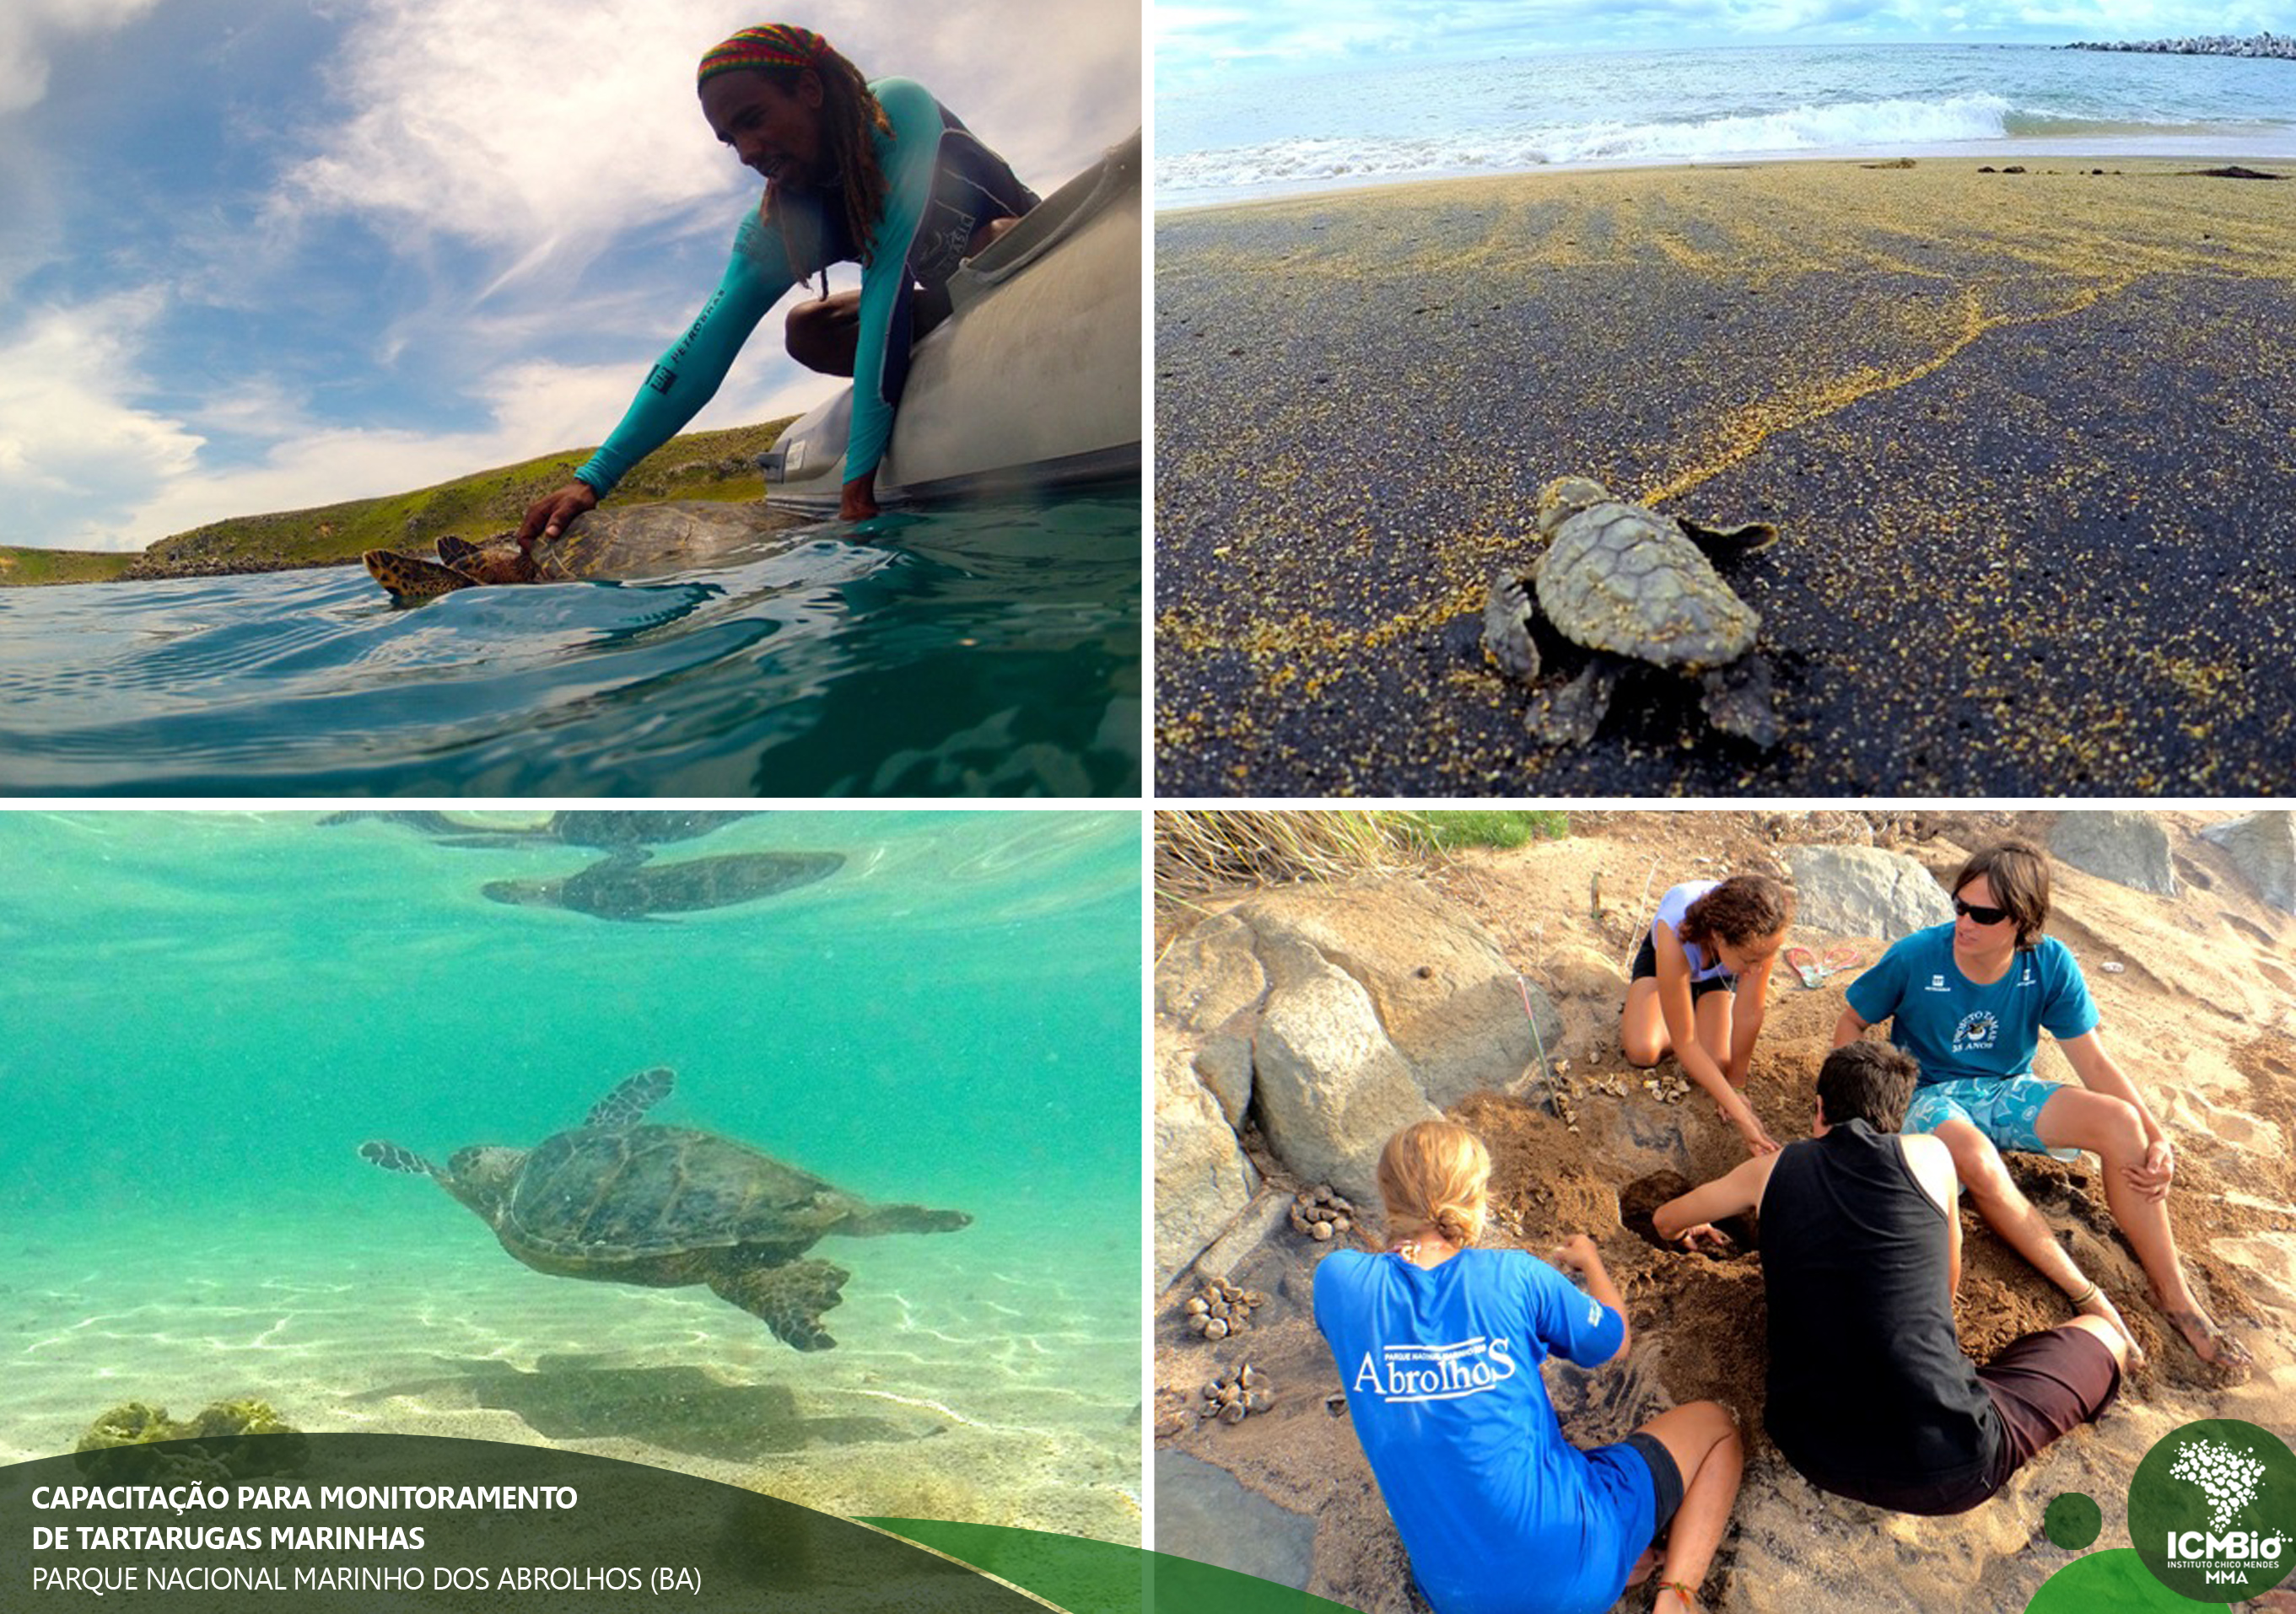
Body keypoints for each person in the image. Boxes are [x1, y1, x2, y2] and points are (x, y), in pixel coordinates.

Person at [520, 24, 1038, 535]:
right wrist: (593, 478)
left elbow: (888, 281)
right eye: (730, 141)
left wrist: (859, 483)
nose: (746, 152)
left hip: (1032, 255)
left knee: (993, 239)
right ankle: (930, 379)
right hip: (951, 305)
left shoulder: (893, 114)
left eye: (753, 120)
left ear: (809, 91)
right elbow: (700, 348)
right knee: (807, 327)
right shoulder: (785, 217)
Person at [1653, 1041, 2128, 1514]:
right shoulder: (1932, 1156)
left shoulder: (1769, 1170)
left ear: (1819, 1108)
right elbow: (1946, 1280)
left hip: (1810, 1448)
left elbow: (1665, 1221)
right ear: (1896, 1119)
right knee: (2104, 1336)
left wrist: (1686, 1226)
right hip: (1954, 1465)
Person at [1832, 840, 2248, 1370]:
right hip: (1930, 1094)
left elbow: (2095, 1065)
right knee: (1977, 1157)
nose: (1965, 921)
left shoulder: (2049, 962)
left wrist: (2155, 1133)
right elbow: (1851, 1022)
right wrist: (1865, 1106)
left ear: (2023, 920)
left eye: (1984, 914)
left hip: (2006, 1088)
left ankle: (2174, 1295)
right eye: (1959, 905)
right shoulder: (1916, 955)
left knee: (2122, 1125)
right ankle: (2083, 1292)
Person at [1313, 1121, 1744, 1614]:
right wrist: (1591, 1261)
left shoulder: (1338, 1282)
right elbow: (1615, 1342)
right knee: (1716, 1427)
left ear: (1386, 1195)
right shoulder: (1513, 1275)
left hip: (1456, 1596)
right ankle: (1676, 1597)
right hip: (1576, 1566)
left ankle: (1618, 1557)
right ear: (1477, 1198)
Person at [1620, 873, 1794, 1156]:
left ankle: (1686, 1001)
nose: (1758, 970)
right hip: (1668, 961)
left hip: (1722, 972)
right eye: (1752, 961)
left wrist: (1736, 1086)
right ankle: (1674, 998)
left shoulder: (1762, 939)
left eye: (1763, 959)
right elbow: (1685, 1042)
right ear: (1718, 937)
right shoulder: (1674, 930)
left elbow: (1749, 1012)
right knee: (1643, 1050)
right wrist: (1742, 1117)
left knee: (1717, 1064)